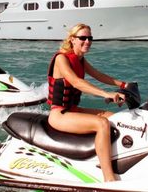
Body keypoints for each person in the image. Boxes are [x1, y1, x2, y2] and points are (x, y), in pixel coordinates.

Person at [47, 23, 127, 182]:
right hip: (59, 114)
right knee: (102, 123)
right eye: (82, 38)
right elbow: (76, 82)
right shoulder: (61, 58)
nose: (87, 41)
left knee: (115, 118)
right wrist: (105, 93)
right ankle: (109, 179)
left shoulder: (80, 60)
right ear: (72, 40)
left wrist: (123, 85)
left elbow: (99, 75)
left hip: (73, 110)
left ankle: (118, 163)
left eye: (90, 38)